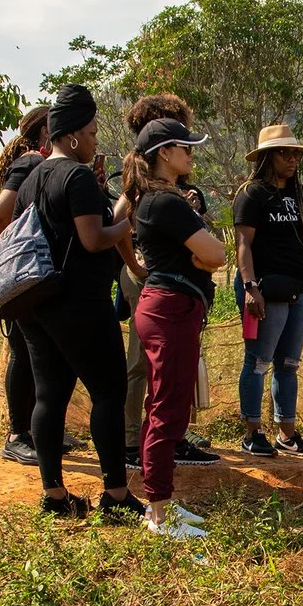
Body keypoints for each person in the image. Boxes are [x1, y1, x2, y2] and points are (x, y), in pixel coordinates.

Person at [16, 84, 139, 519]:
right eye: (90, 133)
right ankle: (117, 497)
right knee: (108, 390)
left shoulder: (32, 178)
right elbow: (92, 240)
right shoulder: (76, 176)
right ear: (70, 136)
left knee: (49, 395)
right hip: (80, 303)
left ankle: (54, 496)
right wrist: (124, 226)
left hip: (37, 302)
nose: (93, 141)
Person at [125, 119, 225, 537]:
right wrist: (200, 255)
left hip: (170, 307)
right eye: (185, 146)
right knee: (166, 409)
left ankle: (161, 501)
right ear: (164, 152)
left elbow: (207, 254)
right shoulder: (166, 203)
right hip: (170, 311)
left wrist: (199, 254)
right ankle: (159, 514)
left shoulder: (158, 200)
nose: (191, 153)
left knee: (167, 406)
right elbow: (217, 254)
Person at [115, 94, 219, 468]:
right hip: (156, 288)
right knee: (145, 371)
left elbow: (208, 251)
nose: (190, 147)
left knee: (170, 383)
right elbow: (117, 224)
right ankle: (133, 444)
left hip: (174, 289)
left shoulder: (172, 190)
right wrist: (136, 264)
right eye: (181, 139)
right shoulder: (150, 192)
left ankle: (163, 446)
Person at [231, 124, 303, 458]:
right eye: (285, 153)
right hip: (266, 291)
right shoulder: (252, 193)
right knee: (258, 362)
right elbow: (244, 244)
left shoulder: (299, 194)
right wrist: (251, 287)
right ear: (267, 157)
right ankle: (252, 432)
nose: (292, 159)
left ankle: (288, 435)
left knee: (289, 363)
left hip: (298, 291)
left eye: (296, 153)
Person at [0, 105, 53, 466]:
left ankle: (37, 430)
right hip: (19, 272)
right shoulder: (31, 162)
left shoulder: (37, 163)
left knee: (38, 353)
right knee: (22, 350)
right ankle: (17, 434)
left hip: (31, 271)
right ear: (46, 134)